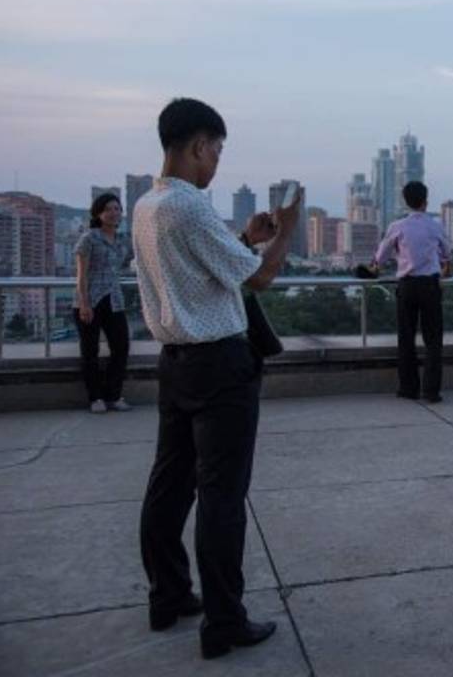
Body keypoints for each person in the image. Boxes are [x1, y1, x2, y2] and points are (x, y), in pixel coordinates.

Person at [135, 98, 300, 660]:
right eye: (217, 151)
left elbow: (208, 263)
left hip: (175, 362)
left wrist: (247, 236)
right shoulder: (190, 206)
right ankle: (225, 620)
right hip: (219, 366)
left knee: (170, 482)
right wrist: (284, 236)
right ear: (199, 145)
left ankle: (169, 594)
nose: (217, 162)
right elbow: (260, 280)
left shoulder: (147, 205)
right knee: (222, 495)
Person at [371, 180, 452, 403]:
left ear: (406, 201)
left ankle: (409, 388)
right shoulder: (435, 225)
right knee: (433, 340)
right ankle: (431, 391)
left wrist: (376, 266)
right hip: (430, 286)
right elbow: (447, 252)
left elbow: (381, 255)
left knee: (406, 338)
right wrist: (445, 265)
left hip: (406, 286)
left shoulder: (398, 226)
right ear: (425, 201)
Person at [74, 192, 133, 413]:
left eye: (117, 209)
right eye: (108, 209)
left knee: (121, 347)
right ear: (98, 213)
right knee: (90, 352)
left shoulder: (121, 240)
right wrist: (84, 304)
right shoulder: (88, 238)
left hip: (114, 300)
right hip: (90, 300)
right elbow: (81, 275)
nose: (113, 213)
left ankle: (113, 395)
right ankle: (95, 398)